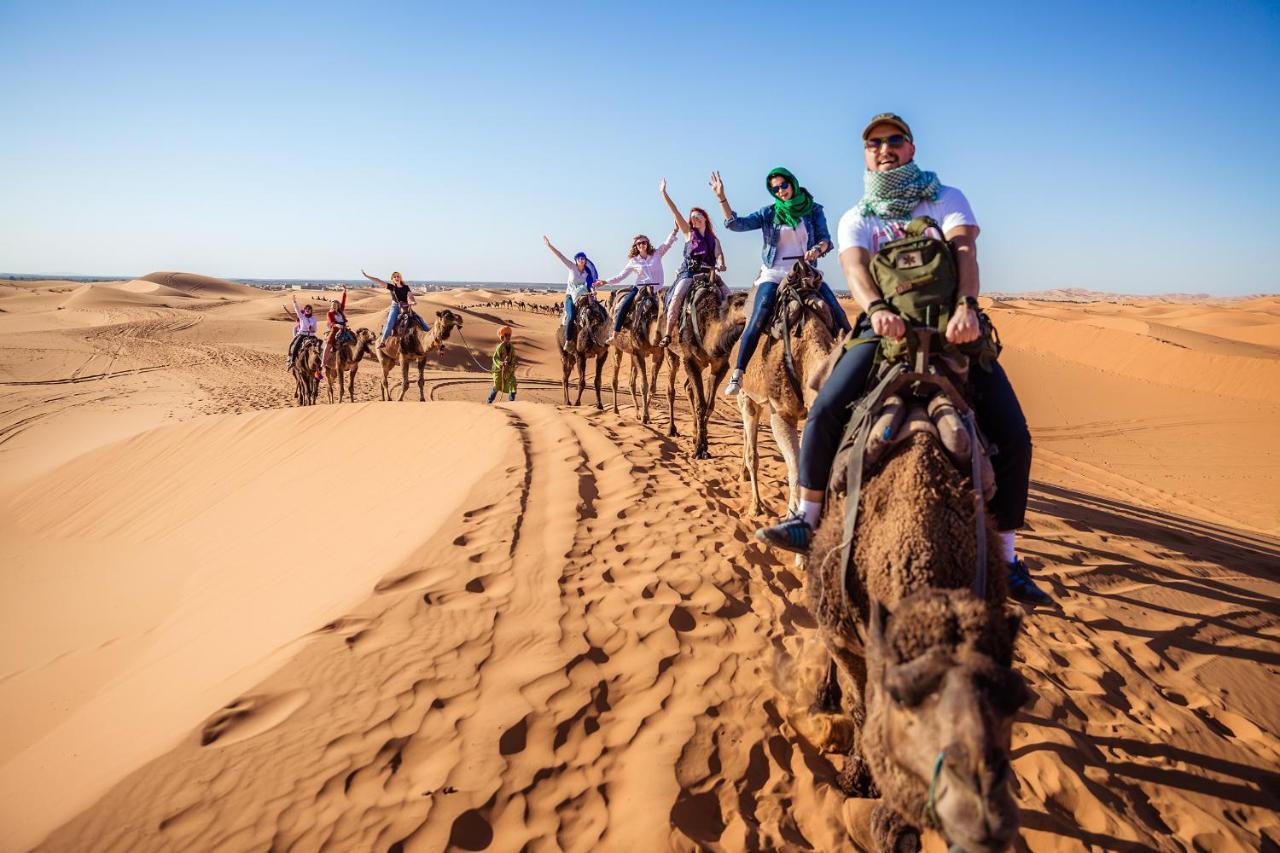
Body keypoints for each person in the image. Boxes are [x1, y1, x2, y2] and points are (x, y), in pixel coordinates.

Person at [754, 112, 1049, 605]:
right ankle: (806, 516)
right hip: (883, 327)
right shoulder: (858, 215)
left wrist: (967, 308)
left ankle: (1006, 557)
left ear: (911, 148)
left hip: (953, 326)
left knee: (1015, 435)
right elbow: (855, 268)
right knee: (826, 409)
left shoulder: (945, 198)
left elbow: (965, 255)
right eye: (874, 143)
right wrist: (875, 310)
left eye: (894, 140)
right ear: (866, 155)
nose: (884, 149)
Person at [715, 167, 852, 396]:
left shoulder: (813, 209)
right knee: (759, 315)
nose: (780, 191)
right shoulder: (769, 213)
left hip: (804, 271)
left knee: (837, 312)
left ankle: (857, 365)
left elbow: (826, 239)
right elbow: (736, 224)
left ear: (792, 183)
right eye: (775, 189)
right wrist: (722, 197)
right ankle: (738, 372)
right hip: (774, 272)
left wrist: (818, 249)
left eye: (783, 186)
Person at [658, 178, 727, 347]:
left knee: (729, 297)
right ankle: (668, 333)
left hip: (709, 274)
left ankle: (729, 332)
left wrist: (721, 263)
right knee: (677, 297)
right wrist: (664, 193)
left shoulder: (714, 239)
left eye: (697, 216)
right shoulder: (688, 233)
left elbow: (719, 254)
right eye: (692, 218)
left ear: (704, 218)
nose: (694, 219)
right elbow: (675, 212)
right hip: (689, 273)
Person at [598, 227, 679, 336]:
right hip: (640, 289)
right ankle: (616, 333)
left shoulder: (657, 253)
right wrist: (605, 282)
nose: (641, 245)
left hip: (657, 289)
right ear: (636, 246)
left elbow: (667, 243)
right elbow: (621, 276)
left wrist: (675, 230)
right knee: (624, 305)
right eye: (639, 243)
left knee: (673, 305)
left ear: (647, 244)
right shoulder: (633, 261)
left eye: (643, 242)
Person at [543, 235, 599, 352]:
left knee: (595, 312)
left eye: (583, 258)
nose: (581, 260)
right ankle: (568, 341)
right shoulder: (571, 267)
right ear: (576, 260)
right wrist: (549, 246)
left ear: (585, 260)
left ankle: (596, 338)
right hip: (570, 297)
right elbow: (560, 256)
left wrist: (593, 292)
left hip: (583, 297)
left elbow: (590, 286)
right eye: (579, 258)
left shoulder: (587, 274)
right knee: (571, 315)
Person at [362, 269, 429, 345]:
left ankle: (430, 335)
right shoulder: (392, 287)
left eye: (398, 276)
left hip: (405, 307)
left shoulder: (406, 287)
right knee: (390, 322)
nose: (396, 278)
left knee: (419, 319)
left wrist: (412, 302)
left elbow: (410, 297)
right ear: (392, 279)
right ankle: (383, 341)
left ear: (400, 278)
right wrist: (367, 276)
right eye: (394, 277)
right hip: (395, 307)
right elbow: (379, 281)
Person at [285, 293, 319, 376]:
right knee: (295, 345)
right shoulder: (302, 316)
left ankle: (320, 366)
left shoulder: (313, 318)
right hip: (302, 334)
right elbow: (297, 309)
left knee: (319, 346)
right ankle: (292, 361)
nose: (307, 310)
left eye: (309, 309)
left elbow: (315, 328)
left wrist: (312, 329)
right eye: (306, 309)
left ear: (311, 310)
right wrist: (294, 302)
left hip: (311, 335)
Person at [487, 325, 518, 403]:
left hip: (508, 370)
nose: (508, 337)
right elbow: (495, 358)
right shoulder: (499, 347)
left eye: (509, 335)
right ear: (502, 337)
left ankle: (512, 402)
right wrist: (501, 363)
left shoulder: (512, 347)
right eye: (506, 335)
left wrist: (510, 366)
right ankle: (489, 401)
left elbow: (513, 358)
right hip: (498, 370)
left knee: (513, 383)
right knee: (497, 386)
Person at [321, 285, 349, 367]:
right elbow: (331, 322)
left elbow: (343, 301)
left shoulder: (340, 311)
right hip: (335, 329)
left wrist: (344, 291)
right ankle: (323, 362)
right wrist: (338, 325)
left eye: (336, 304)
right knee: (328, 345)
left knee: (354, 338)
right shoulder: (330, 313)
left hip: (344, 329)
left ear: (338, 305)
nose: (334, 306)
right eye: (333, 304)